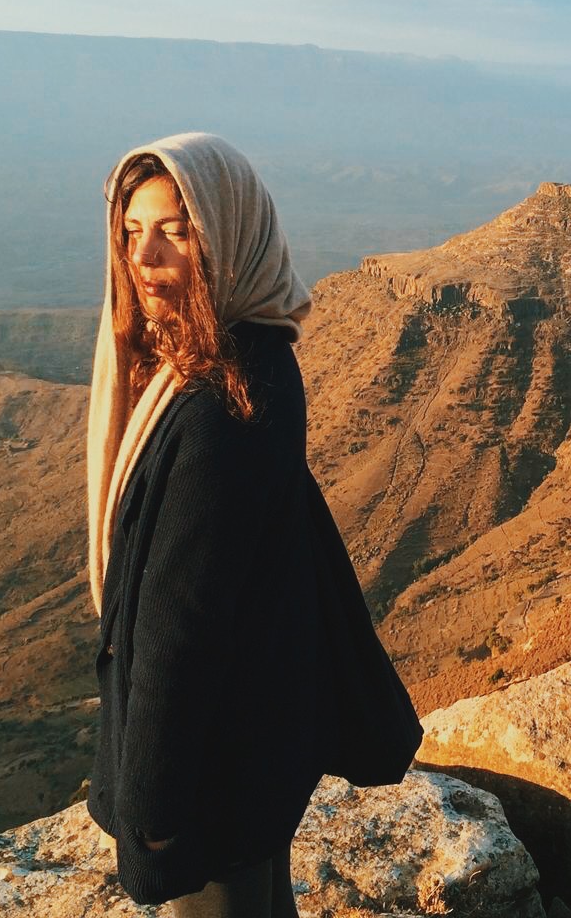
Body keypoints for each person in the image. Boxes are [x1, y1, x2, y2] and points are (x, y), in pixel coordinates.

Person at [84, 133, 423, 916]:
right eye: (131, 232)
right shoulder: (255, 358)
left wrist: (153, 820)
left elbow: (180, 629)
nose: (145, 256)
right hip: (252, 753)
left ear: (227, 233)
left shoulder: (218, 410)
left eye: (175, 229)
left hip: (211, 773)